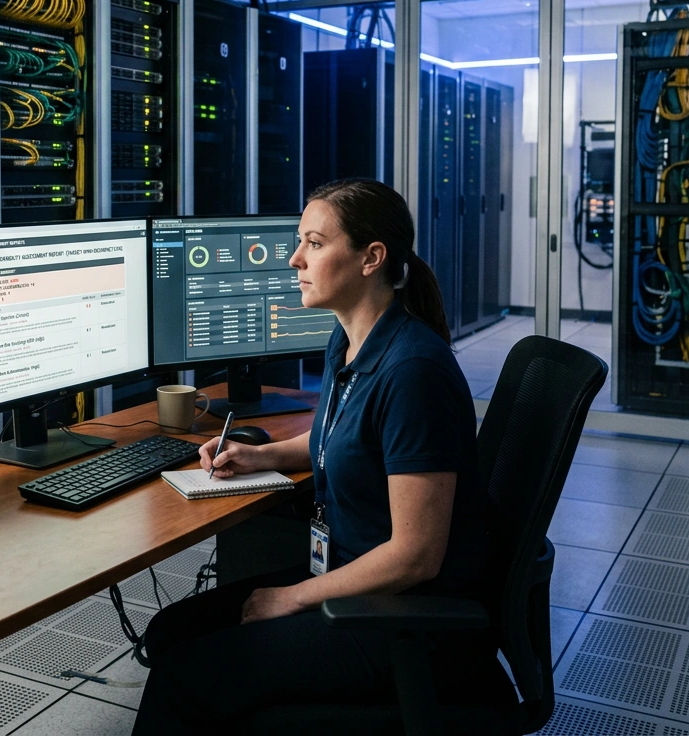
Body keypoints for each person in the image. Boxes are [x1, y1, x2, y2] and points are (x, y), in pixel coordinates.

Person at [131, 179, 515, 734]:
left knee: (187, 674)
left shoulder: (414, 374)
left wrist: (290, 598)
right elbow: (347, 436)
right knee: (173, 629)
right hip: (349, 575)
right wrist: (263, 456)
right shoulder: (351, 339)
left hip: (404, 619)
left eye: (314, 243)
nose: (293, 260)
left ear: (371, 258)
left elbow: (416, 556)